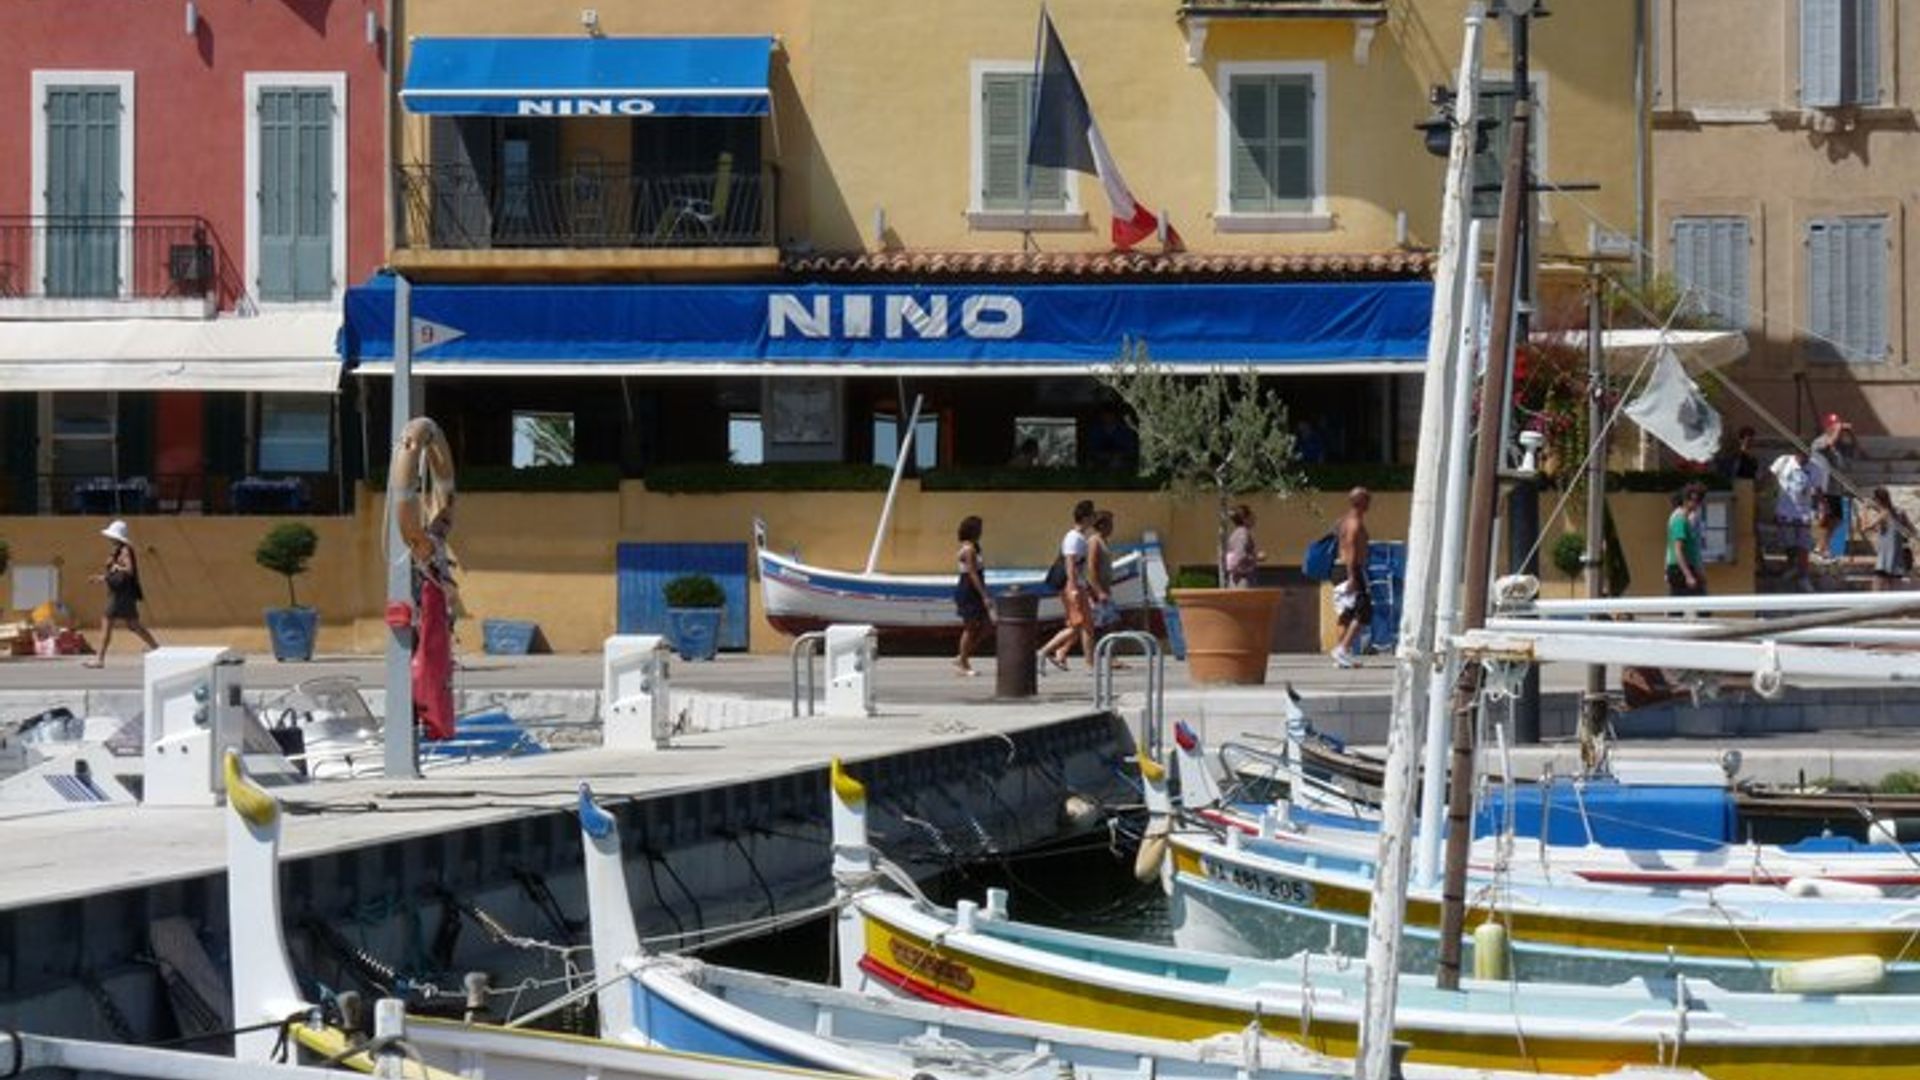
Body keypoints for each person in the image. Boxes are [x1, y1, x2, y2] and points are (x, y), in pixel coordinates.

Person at [84, 519, 159, 667]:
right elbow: (116, 573)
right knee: (133, 624)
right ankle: (156, 648)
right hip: (123, 593)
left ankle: (100, 659)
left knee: (107, 621)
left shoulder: (124, 550)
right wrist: (102, 578)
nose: (109, 539)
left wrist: (116, 567)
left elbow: (129, 570)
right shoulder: (119, 550)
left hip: (120, 594)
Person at [1039, 500, 1097, 672]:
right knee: (1078, 626)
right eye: (1092, 515)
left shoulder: (1079, 538)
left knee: (1085, 625)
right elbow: (1070, 564)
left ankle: (1065, 654)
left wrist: (1085, 587)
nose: (1094, 519)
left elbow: (1078, 567)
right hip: (1072, 587)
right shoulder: (1074, 538)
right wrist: (1073, 589)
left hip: (1077, 585)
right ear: (1086, 518)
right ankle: (1045, 651)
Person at [1331, 488, 1371, 669]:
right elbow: (1352, 549)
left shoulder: (1344, 521)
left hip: (1340, 567)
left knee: (1346, 614)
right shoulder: (1354, 523)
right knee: (1363, 612)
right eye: (1368, 500)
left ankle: (1340, 654)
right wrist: (1353, 576)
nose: (1370, 504)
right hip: (1351, 569)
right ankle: (1342, 649)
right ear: (1361, 502)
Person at [952, 515, 995, 675]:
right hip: (969, 589)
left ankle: (963, 656)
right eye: (979, 529)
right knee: (970, 628)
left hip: (974, 588)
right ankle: (963, 663)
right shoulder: (968, 549)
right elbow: (972, 574)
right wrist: (984, 595)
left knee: (987, 626)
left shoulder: (975, 547)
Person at [1770, 450, 1816, 592]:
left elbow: (1818, 489)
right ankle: (1792, 568)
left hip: (1804, 514)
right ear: (1797, 453)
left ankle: (1803, 577)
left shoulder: (1814, 467)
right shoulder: (1783, 461)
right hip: (1784, 512)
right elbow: (1769, 475)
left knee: (1804, 546)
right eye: (1804, 455)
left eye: (1809, 455)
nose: (1807, 459)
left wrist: (1820, 507)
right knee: (1789, 544)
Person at [1809, 413, 1854, 558]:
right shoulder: (1819, 442)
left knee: (1837, 519)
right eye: (1834, 425)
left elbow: (1854, 447)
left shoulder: (1840, 443)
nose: (1838, 428)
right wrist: (1838, 429)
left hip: (1836, 488)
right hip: (1823, 487)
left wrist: (1850, 433)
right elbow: (1830, 444)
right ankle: (1819, 546)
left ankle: (1822, 546)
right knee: (1825, 518)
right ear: (1827, 427)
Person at [1863, 487, 1912, 592]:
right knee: (1895, 594)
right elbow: (1911, 530)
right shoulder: (1900, 512)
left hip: (1884, 560)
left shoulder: (1884, 514)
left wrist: (1865, 510)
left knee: (1876, 591)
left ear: (1878, 500)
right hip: (1896, 559)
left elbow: (1865, 528)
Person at [1665, 484, 1708, 597]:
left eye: (1697, 500)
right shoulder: (1679, 520)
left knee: (1696, 606)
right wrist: (1688, 575)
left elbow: (1693, 551)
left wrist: (1698, 571)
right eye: (1691, 499)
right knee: (1699, 607)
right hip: (1679, 569)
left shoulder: (1688, 521)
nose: (1693, 503)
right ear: (1684, 500)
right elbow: (1678, 550)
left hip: (1686, 567)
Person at [1089, 509, 1119, 632]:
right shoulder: (1094, 542)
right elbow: (1091, 568)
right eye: (1110, 524)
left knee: (1110, 624)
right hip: (1098, 593)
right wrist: (1099, 591)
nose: (1112, 527)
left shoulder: (1104, 541)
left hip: (1105, 590)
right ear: (1102, 525)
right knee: (1105, 625)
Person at [1223, 504, 1265, 588]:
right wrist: (1257, 557)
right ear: (1245, 519)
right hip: (1242, 580)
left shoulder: (1236, 533)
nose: (1254, 518)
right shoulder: (1243, 534)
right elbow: (1240, 556)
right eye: (1252, 515)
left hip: (1237, 579)